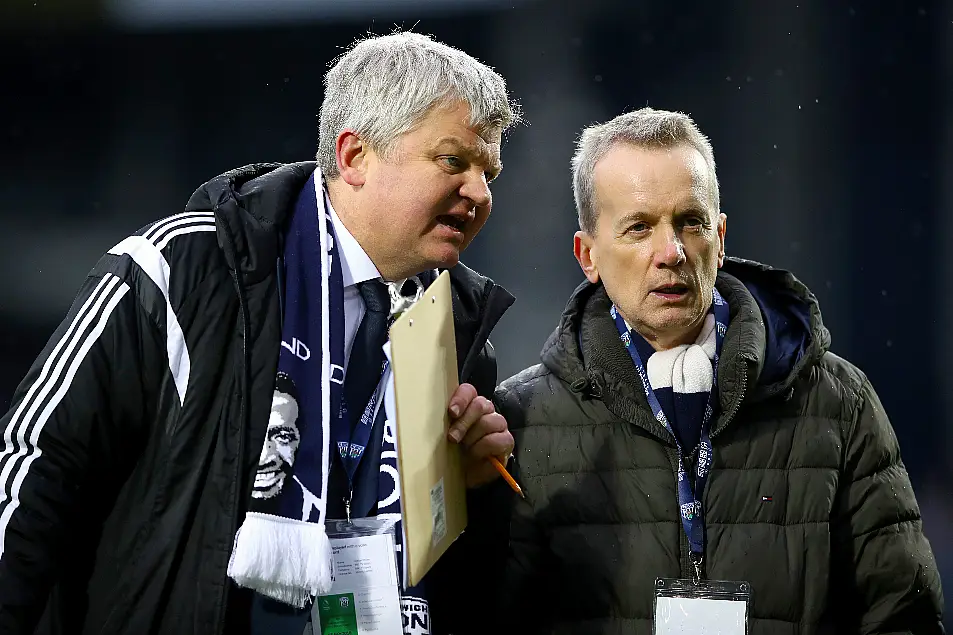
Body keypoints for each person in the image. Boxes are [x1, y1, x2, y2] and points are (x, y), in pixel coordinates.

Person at [0, 32, 520, 635]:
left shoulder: (458, 327)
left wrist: (474, 493)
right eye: (454, 161)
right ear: (354, 157)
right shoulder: (184, 270)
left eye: (490, 171)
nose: (480, 193)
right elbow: (38, 465)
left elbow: (452, 585)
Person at [496, 107, 945, 633]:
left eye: (691, 222)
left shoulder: (837, 402)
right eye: (639, 227)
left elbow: (902, 615)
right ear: (587, 255)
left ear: (721, 237)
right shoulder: (520, 421)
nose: (671, 252)